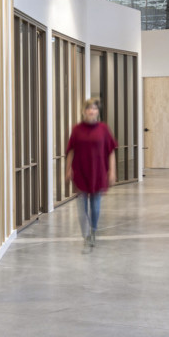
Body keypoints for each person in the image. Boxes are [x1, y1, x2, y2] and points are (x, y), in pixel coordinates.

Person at [65, 97, 117, 253]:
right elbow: (71, 151)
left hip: (98, 172)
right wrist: (68, 169)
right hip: (80, 171)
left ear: (97, 112)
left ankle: (93, 231)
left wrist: (112, 171)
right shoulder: (76, 129)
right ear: (84, 111)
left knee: (95, 206)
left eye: (94, 108)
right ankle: (86, 236)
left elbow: (111, 151)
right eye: (89, 108)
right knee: (82, 208)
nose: (91, 111)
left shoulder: (103, 129)